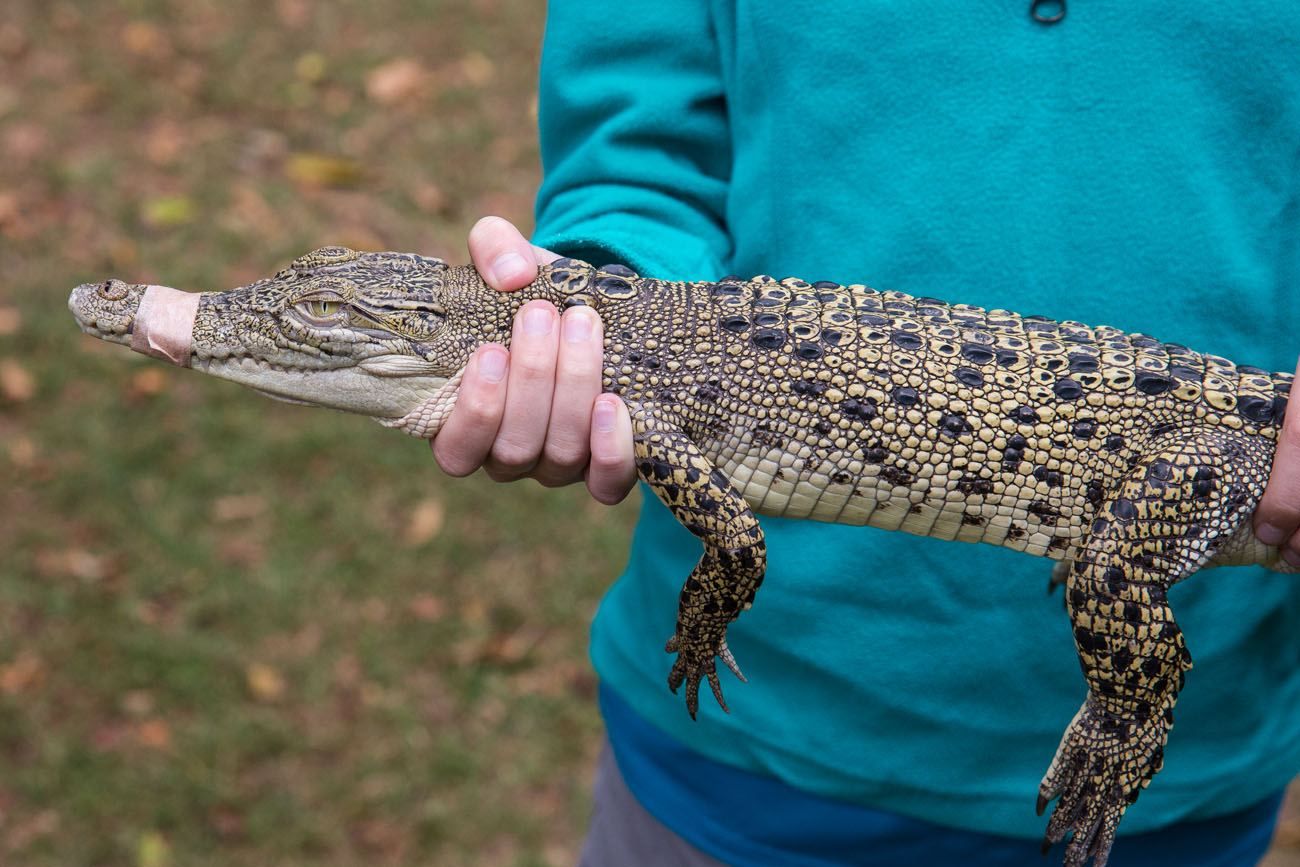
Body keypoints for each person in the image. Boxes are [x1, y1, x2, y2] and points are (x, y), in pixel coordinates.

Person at [436, 3, 1300, 865]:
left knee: (1112, 573)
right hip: (739, 770)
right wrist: (603, 305)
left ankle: (1130, 724)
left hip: (1196, 780)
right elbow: (640, 132)